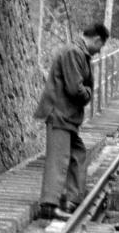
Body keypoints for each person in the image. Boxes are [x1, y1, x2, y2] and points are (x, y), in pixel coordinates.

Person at [35, 22, 110, 220]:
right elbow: (75, 88)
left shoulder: (79, 53)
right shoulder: (74, 53)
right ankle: (49, 205)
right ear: (96, 40)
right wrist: (88, 93)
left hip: (67, 117)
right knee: (58, 159)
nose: (99, 52)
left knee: (78, 154)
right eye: (100, 47)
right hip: (60, 114)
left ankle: (72, 200)